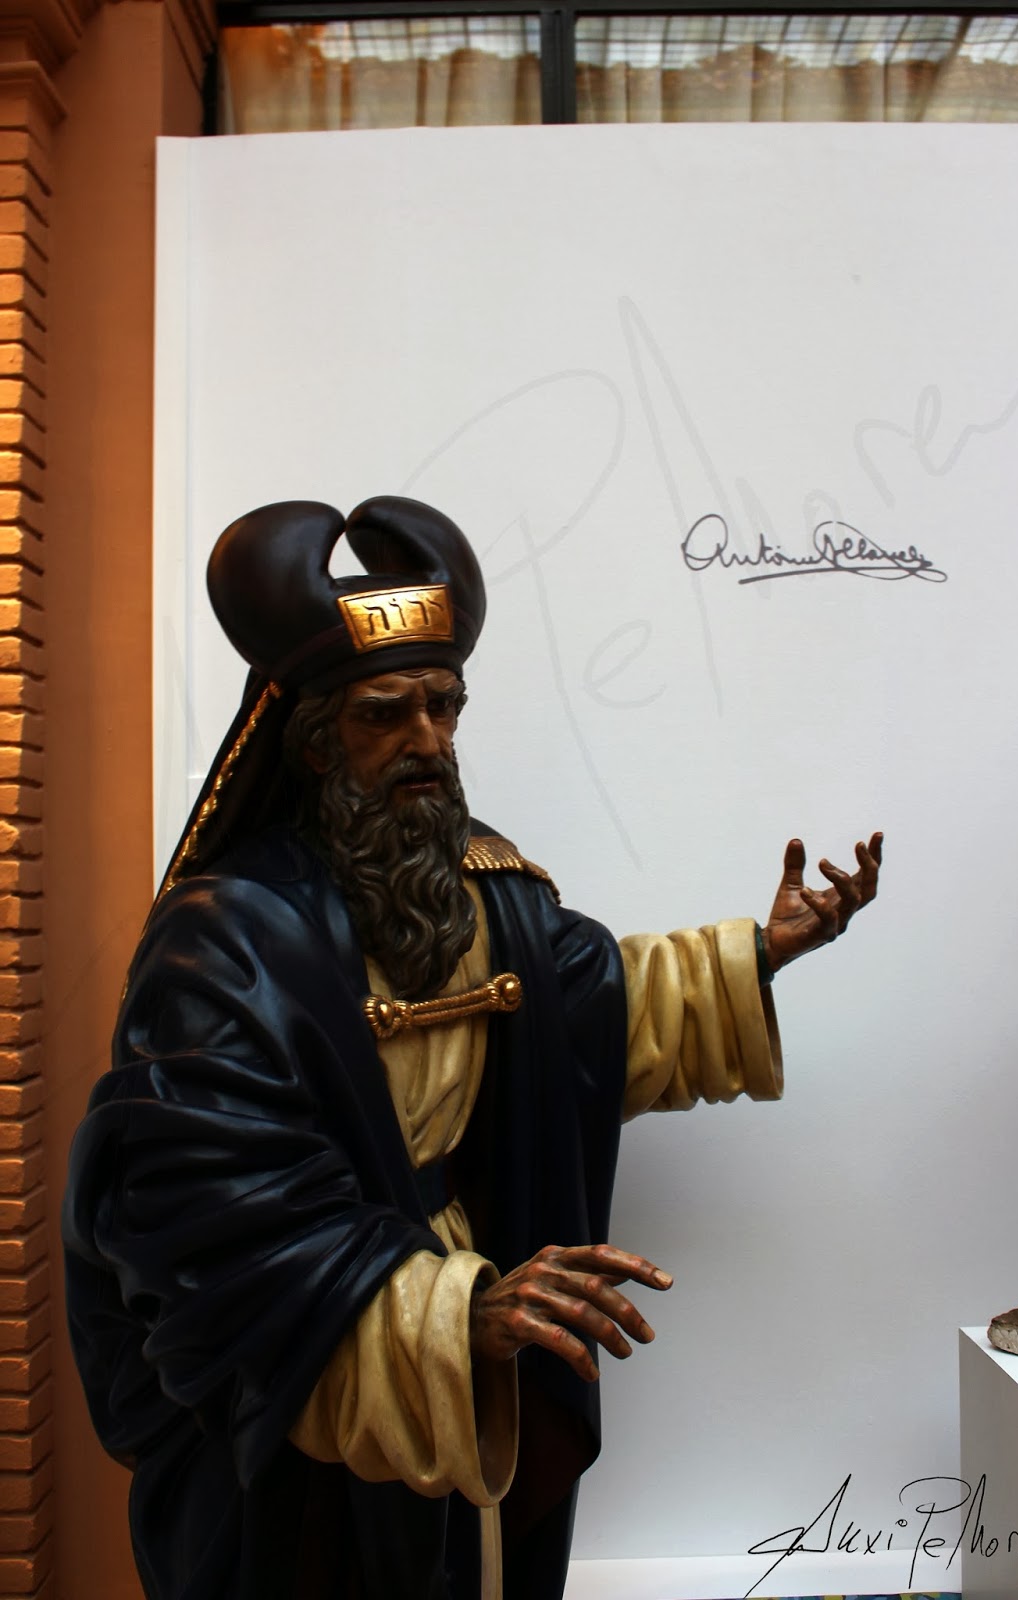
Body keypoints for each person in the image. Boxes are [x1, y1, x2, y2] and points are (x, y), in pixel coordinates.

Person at [63, 497, 881, 1600]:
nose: (427, 743)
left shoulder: (481, 895)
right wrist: (447, 1313)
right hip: (316, 1355)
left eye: (443, 707)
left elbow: (593, 1004)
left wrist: (762, 954)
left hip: (459, 1331)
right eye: (386, 714)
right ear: (315, 740)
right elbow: (204, 1211)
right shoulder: (224, 939)